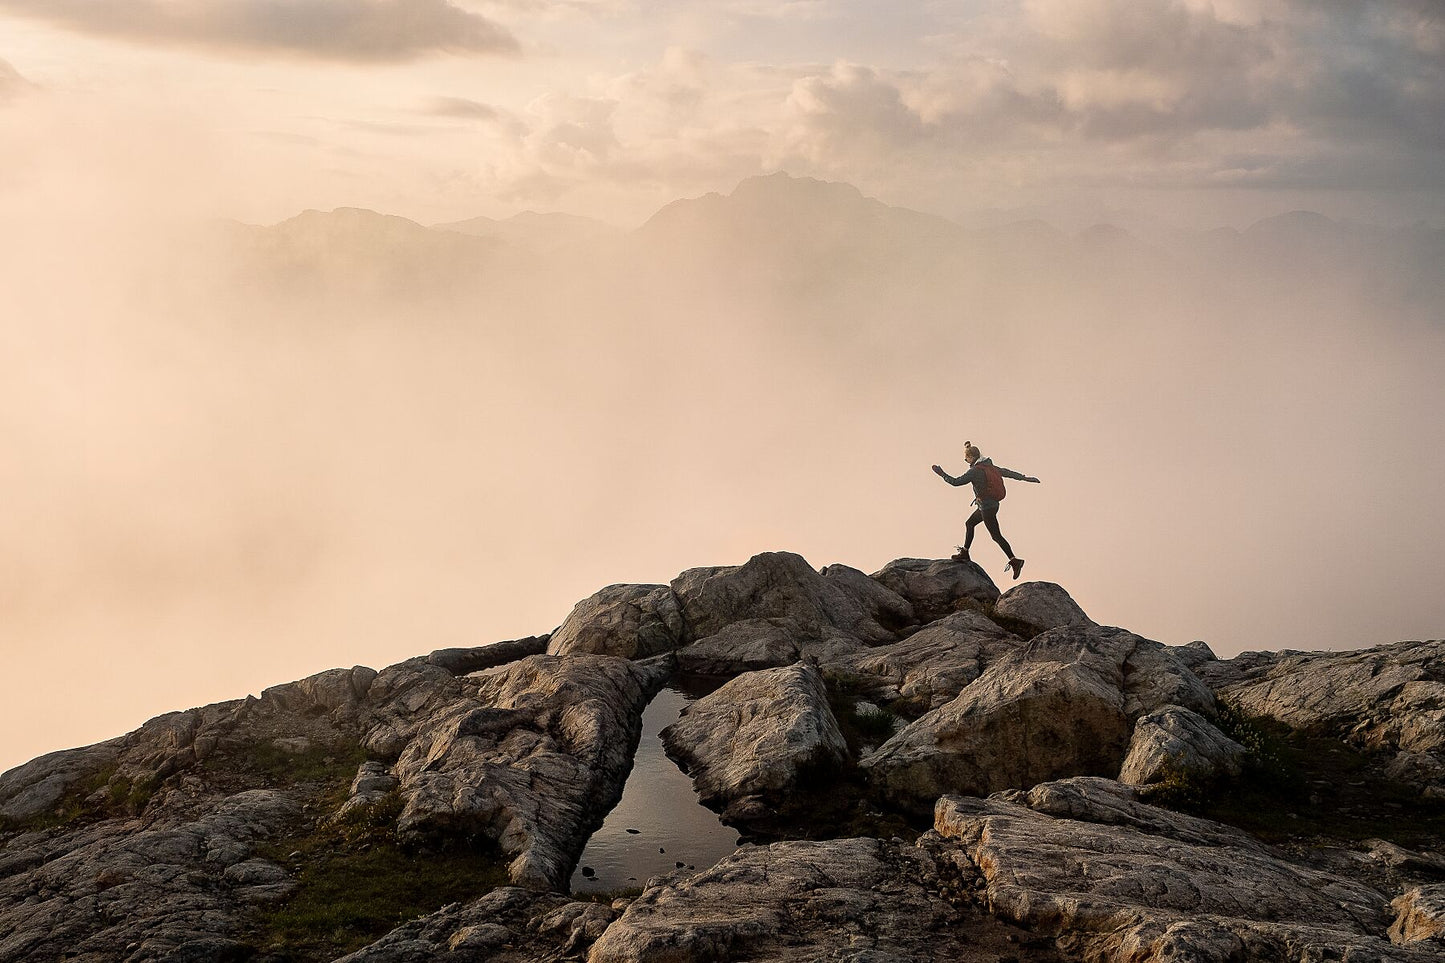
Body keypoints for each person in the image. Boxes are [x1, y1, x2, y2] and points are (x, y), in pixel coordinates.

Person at [931, 441, 1040, 580]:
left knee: (996, 536)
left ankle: (1015, 561)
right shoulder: (990, 467)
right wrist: (1025, 478)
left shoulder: (975, 471)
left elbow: (956, 482)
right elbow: (1008, 473)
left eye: (966, 459)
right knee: (970, 523)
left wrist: (941, 473)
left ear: (971, 458)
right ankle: (965, 552)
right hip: (992, 505)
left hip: (987, 508)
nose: (966, 461)